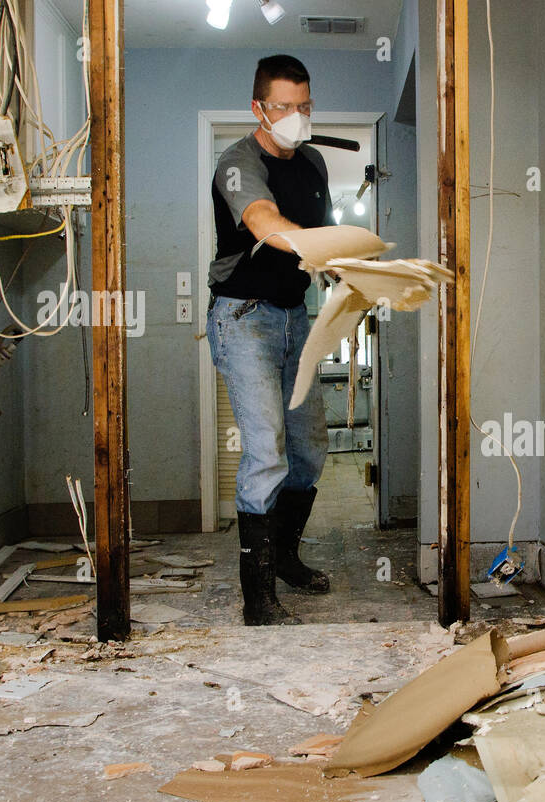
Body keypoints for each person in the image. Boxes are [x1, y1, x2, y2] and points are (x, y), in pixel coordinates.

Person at [206, 54, 334, 626]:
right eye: (284, 107)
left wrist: (344, 268)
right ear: (258, 107)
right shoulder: (237, 162)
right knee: (266, 451)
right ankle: (256, 600)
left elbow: (319, 240)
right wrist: (330, 247)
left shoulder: (313, 163)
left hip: (295, 318)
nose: (296, 117)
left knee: (307, 452)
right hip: (245, 318)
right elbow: (264, 222)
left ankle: (283, 556)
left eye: (304, 106)